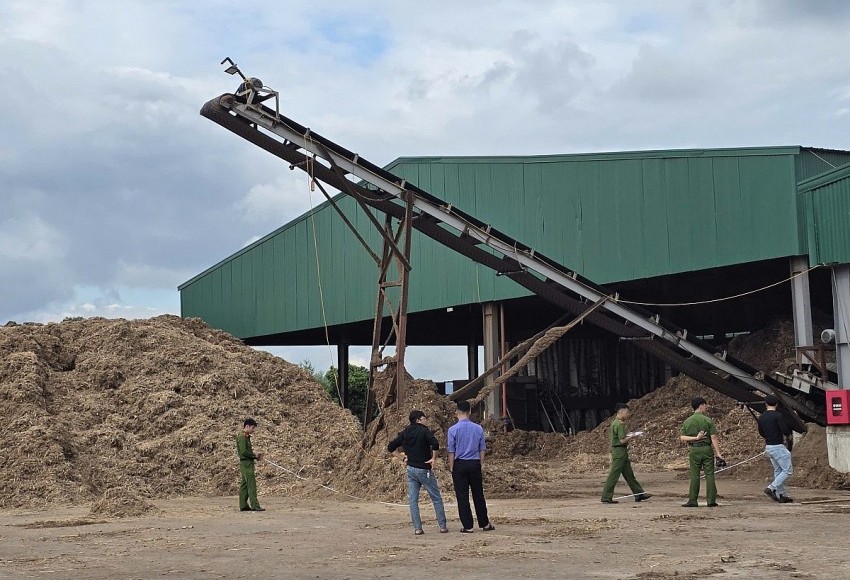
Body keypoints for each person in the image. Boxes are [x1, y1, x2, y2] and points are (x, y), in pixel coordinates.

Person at [387, 410, 449, 535]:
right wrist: (434, 458)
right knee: (436, 497)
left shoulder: (406, 432)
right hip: (424, 468)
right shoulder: (424, 431)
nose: (425, 420)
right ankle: (442, 526)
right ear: (418, 420)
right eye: (424, 418)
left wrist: (402, 458)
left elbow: (391, 447)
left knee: (413, 500)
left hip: (410, 469)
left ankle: (417, 528)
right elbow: (435, 444)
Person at [447, 401, 494, 533]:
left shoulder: (452, 430)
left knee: (462, 496)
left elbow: (451, 451)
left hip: (459, 464)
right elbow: (482, 449)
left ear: (457, 412)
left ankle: (468, 526)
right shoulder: (478, 428)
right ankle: (484, 524)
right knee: (478, 494)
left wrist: (452, 467)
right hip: (474, 463)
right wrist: (480, 464)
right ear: (470, 412)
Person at [601, 403, 651, 504]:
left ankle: (639, 494)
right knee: (614, 475)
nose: (628, 414)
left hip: (620, 451)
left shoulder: (616, 423)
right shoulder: (619, 424)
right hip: (619, 451)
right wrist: (633, 436)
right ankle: (606, 496)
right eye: (627, 412)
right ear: (621, 411)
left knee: (629, 475)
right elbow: (622, 440)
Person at [679, 397, 725, 507]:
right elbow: (714, 437)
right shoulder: (708, 420)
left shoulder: (687, 421)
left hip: (694, 450)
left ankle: (693, 500)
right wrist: (718, 453)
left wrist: (695, 438)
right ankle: (711, 500)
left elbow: (682, 437)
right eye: (705, 405)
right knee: (709, 474)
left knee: (695, 475)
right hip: (706, 449)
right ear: (701, 406)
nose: (706, 407)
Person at [757, 394, 794, 503]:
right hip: (778, 446)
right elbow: (785, 430)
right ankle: (771, 488)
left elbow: (761, 432)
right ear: (777, 404)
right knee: (787, 470)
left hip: (769, 447)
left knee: (778, 471)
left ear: (766, 404)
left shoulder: (762, 417)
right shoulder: (778, 416)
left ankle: (782, 495)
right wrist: (788, 436)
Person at [236, 418, 265, 512]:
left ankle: (243, 505)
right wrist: (254, 455)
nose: (253, 430)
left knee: (244, 484)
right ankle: (255, 505)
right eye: (252, 428)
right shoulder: (242, 436)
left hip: (247, 462)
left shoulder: (245, 436)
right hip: (246, 463)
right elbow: (244, 452)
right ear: (247, 426)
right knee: (251, 485)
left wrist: (255, 456)